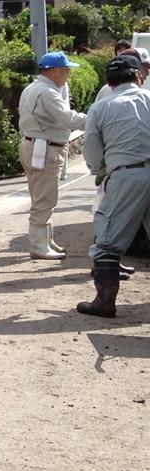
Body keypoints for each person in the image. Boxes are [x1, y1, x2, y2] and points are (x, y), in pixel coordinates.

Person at [77, 56, 150, 317]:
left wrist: (102, 171)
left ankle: (104, 301)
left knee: (107, 242)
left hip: (125, 175)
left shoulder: (101, 107)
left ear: (108, 82)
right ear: (138, 77)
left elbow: (93, 153)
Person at [18, 51, 88, 260]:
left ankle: (46, 239)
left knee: (42, 195)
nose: (68, 74)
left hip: (36, 145)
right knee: (45, 198)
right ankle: (39, 245)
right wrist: (98, 116)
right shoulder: (47, 93)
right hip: (45, 148)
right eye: (66, 70)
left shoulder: (34, 87)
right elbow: (68, 119)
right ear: (55, 71)